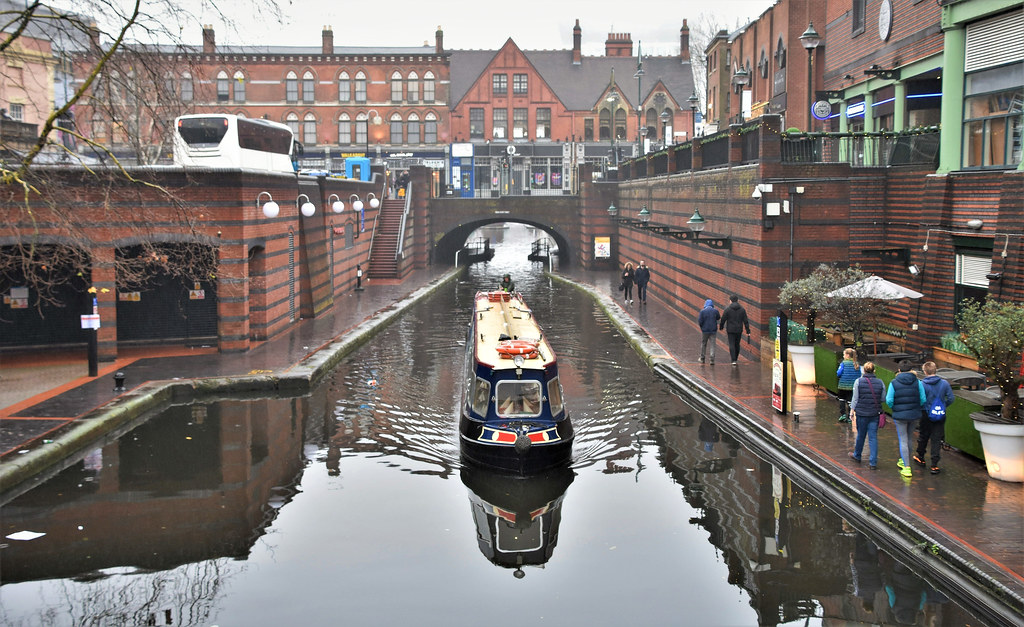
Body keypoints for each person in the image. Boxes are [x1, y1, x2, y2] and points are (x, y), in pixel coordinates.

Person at [886, 360, 926, 479]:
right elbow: (923, 399)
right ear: (911, 370)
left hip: (900, 415)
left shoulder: (894, 383)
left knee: (903, 439)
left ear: (899, 370)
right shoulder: (918, 382)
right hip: (914, 414)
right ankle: (904, 460)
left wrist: (895, 408)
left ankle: (906, 467)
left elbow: (889, 400)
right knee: (909, 438)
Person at [915, 361, 955, 475]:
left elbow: (919, 399)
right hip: (940, 414)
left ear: (925, 371)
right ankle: (934, 464)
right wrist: (943, 406)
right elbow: (951, 398)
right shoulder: (944, 383)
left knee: (923, 435)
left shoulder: (922, 384)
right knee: (936, 439)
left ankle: (921, 457)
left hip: (925, 413)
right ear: (935, 370)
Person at [849, 361, 885, 469]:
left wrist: (851, 411)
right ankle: (873, 462)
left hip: (861, 413)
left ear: (863, 370)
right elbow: (883, 398)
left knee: (861, 435)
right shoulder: (880, 382)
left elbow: (855, 398)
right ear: (874, 370)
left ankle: (857, 455)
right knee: (873, 437)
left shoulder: (858, 382)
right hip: (874, 413)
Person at [719, 294, 750, 365]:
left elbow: (723, 319)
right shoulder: (742, 310)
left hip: (730, 330)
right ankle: (736, 358)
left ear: (730, 301)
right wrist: (748, 330)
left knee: (731, 344)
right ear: (737, 300)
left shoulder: (728, 309)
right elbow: (745, 321)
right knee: (737, 344)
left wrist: (721, 326)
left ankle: (733, 360)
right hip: (739, 329)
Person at [836, 348, 861, 423]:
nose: (843, 356)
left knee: (842, 400)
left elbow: (838, 373)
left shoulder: (843, 363)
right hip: (852, 386)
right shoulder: (856, 364)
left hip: (842, 386)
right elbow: (859, 375)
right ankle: (850, 416)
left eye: (844, 354)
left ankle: (843, 414)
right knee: (850, 401)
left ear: (847, 355)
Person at [697, 299, 720, 365]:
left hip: (705, 330)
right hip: (713, 330)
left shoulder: (702, 311)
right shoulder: (715, 311)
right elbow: (718, 317)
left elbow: (700, 321)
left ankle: (702, 358)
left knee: (704, 344)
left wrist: (702, 327)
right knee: (712, 344)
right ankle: (712, 359)